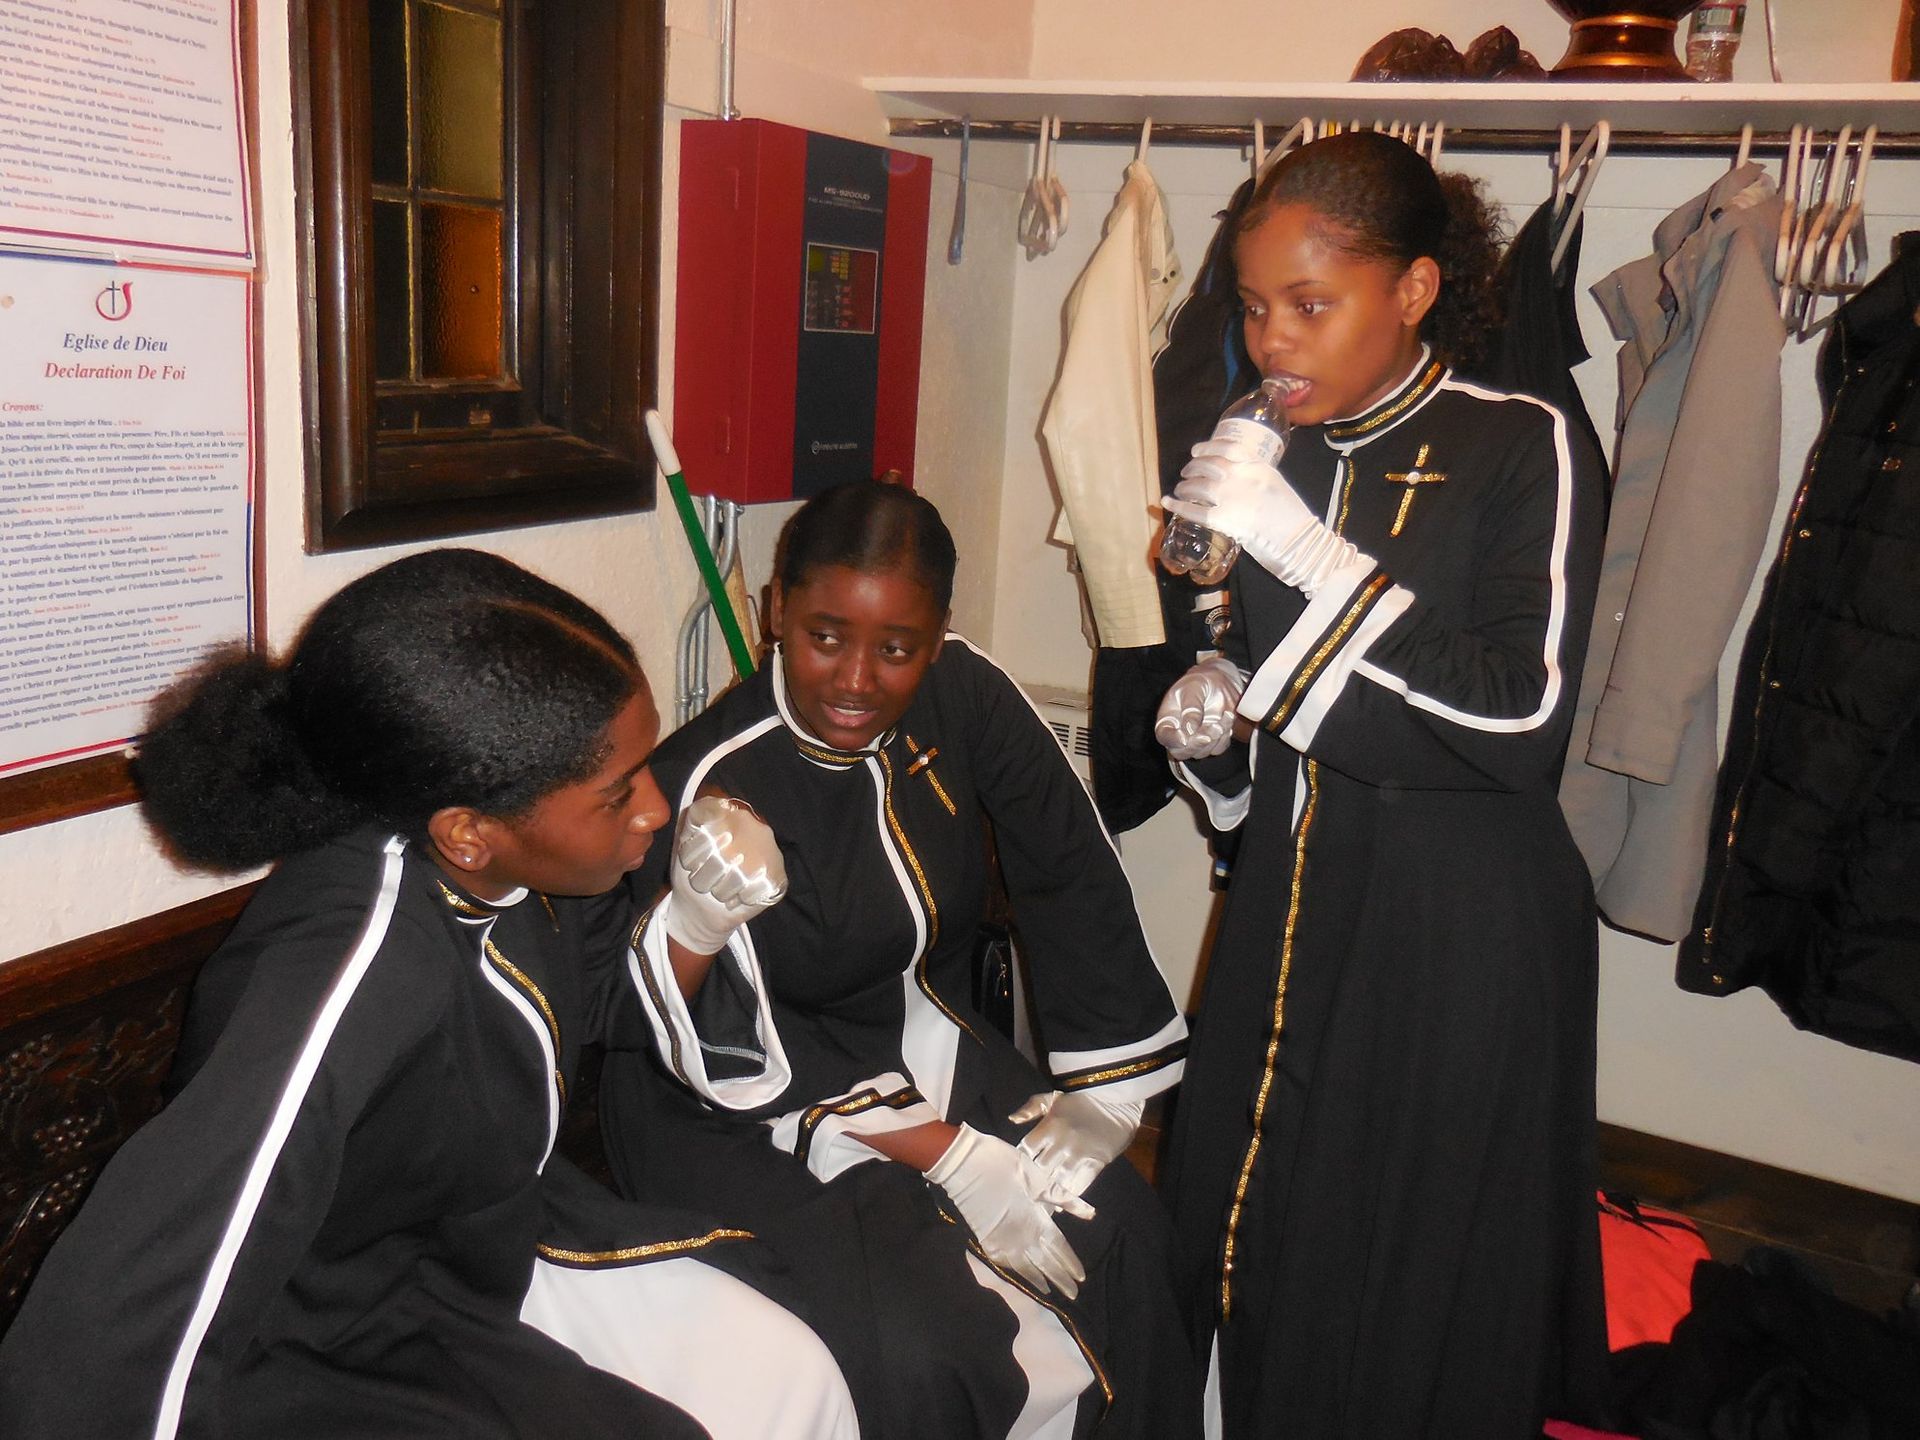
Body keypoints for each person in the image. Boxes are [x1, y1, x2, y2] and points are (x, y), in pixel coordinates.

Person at [0, 549, 856, 1440]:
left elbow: (594, 1000)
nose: (653, 807)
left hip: (476, 1242)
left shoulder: (506, 867)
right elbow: (136, 1308)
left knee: (801, 1377)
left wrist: (696, 924)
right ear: (469, 833)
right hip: (335, 1333)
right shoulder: (343, 974)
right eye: (616, 794)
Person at [1153, 131, 1613, 1438]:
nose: (1274, 342)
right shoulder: (1264, 449)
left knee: (1403, 1260)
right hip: (1297, 889)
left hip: (1461, 922)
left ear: (1412, 291)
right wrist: (1216, 744)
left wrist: (1297, 549)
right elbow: (1272, 703)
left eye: (1313, 303)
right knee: (1234, 1205)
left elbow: (1518, 716)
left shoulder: (1521, 441)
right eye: (1253, 308)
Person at [597, 479, 1202, 1440]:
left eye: (897, 649)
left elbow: (1067, 867)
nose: (855, 682)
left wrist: (1108, 1088)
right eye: (824, 636)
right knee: (931, 1344)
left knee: (1127, 1227)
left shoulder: (964, 692)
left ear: (939, 634)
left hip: (917, 1040)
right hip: (731, 1101)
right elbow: (712, 1033)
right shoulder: (709, 784)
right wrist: (951, 1155)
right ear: (775, 612)